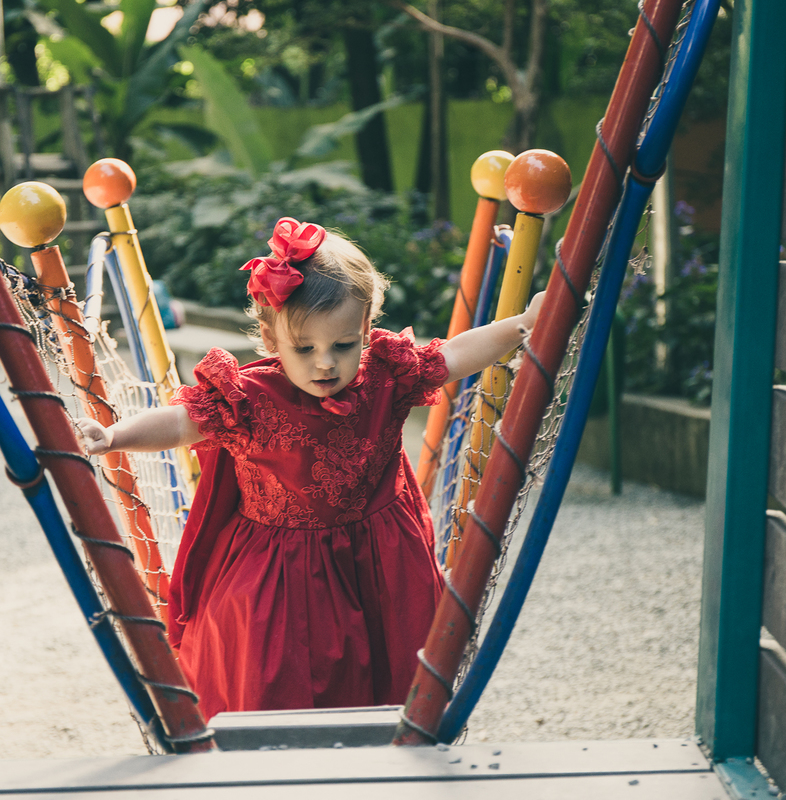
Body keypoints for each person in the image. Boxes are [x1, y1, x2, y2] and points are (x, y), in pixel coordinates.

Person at [77, 217, 543, 718]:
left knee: (393, 666)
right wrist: (114, 436)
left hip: (381, 559)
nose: (325, 364)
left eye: (343, 345)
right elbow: (179, 423)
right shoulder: (250, 398)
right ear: (270, 338)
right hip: (279, 567)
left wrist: (523, 324)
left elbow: (454, 355)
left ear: (365, 330)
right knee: (274, 673)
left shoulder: (386, 376)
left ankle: (387, 747)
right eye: (305, 348)